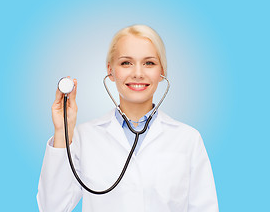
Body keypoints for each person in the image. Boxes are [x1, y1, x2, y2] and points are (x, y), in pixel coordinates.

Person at [37, 25, 219, 212]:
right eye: (126, 63)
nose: (138, 73)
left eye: (149, 63)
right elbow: (51, 207)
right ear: (111, 71)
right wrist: (62, 133)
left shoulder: (188, 139)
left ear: (162, 72)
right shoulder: (83, 137)